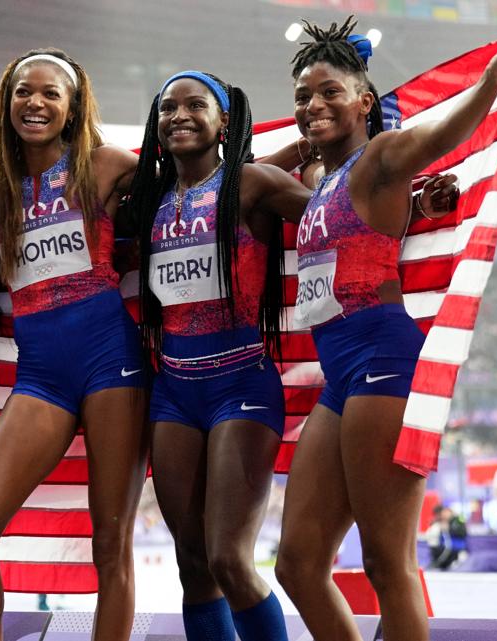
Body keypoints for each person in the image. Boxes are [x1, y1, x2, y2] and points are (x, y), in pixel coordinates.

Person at [273, 18, 497, 641]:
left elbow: (437, 135)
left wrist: (489, 85)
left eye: (330, 92)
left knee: (387, 563)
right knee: (298, 562)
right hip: (341, 376)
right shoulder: (320, 184)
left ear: (365, 102)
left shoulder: (383, 157)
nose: (313, 106)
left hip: (383, 360)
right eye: (303, 98)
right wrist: (420, 206)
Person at [0, 49, 149, 641]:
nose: (34, 103)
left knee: (110, 540)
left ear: (72, 107)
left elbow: (201, 180)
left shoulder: (109, 166)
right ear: (7, 103)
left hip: (113, 364)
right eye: (22, 92)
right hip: (42, 378)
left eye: (49, 94)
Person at [127, 71, 315, 641]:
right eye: (167, 108)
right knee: (193, 566)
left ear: (224, 121)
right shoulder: (149, 200)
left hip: (241, 385)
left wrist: (412, 196)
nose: (179, 115)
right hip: (174, 393)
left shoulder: (253, 185)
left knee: (230, 559)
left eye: (194, 105)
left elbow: (338, 215)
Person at [422, 505, 467, 570]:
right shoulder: (441, 521)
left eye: (446, 512)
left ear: (450, 511)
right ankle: (437, 564)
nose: (444, 515)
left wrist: (449, 529)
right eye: (443, 513)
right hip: (445, 547)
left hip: (456, 547)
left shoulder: (458, 520)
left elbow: (462, 532)